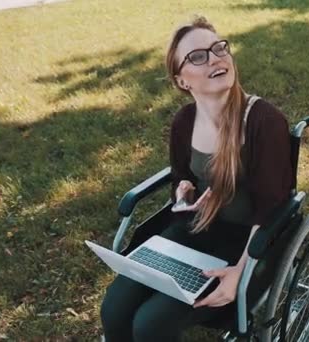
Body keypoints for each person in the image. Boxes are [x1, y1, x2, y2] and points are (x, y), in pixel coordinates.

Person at [99, 15, 293, 341]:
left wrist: (239, 274)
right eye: (198, 56)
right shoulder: (184, 121)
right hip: (195, 230)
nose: (215, 58)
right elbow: (181, 177)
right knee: (114, 309)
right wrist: (183, 194)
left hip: (248, 246)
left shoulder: (264, 121)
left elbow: (271, 207)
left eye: (218, 48)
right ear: (181, 80)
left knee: (150, 324)